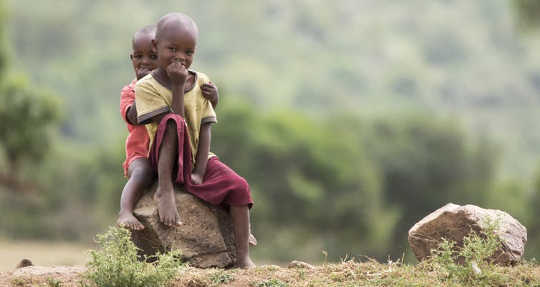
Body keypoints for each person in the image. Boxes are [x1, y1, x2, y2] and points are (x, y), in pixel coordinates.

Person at [135, 12, 255, 268]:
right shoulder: (146, 86)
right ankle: (165, 191)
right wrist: (178, 87)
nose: (180, 57)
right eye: (172, 49)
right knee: (172, 121)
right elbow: (176, 127)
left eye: (188, 51)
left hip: (195, 156)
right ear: (156, 47)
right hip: (164, 160)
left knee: (240, 186)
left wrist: (200, 171)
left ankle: (243, 257)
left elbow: (206, 127)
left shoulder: (201, 82)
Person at [117, 24, 219, 231]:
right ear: (131, 58)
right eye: (138, 57)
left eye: (152, 57)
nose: (144, 62)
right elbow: (135, 118)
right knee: (142, 172)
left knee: (211, 176)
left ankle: (230, 226)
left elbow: (195, 114)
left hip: (172, 153)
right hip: (142, 154)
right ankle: (125, 211)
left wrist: (214, 98)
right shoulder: (130, 90)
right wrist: (142, 87)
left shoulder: (179, 84)